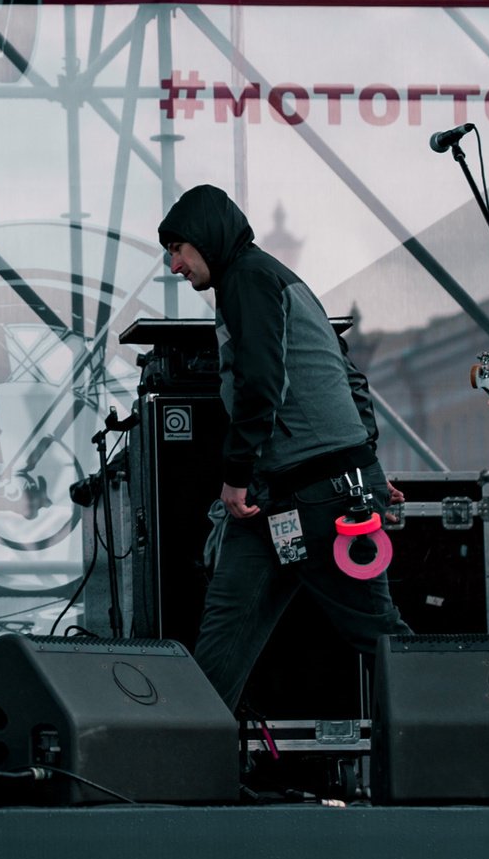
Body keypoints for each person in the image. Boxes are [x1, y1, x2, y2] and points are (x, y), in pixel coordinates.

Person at [155, 184, 405, 713]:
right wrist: (370, 466)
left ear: (206, 238)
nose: (174, 265)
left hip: (318, 496)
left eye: (178, 249)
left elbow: (263, 386)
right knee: (224, 638)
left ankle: (461, 747)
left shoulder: (247, 278)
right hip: (283, 500)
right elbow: (350, 377)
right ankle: (187, 770)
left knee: (383, 641)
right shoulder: (272, 279)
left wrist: (236, 473)